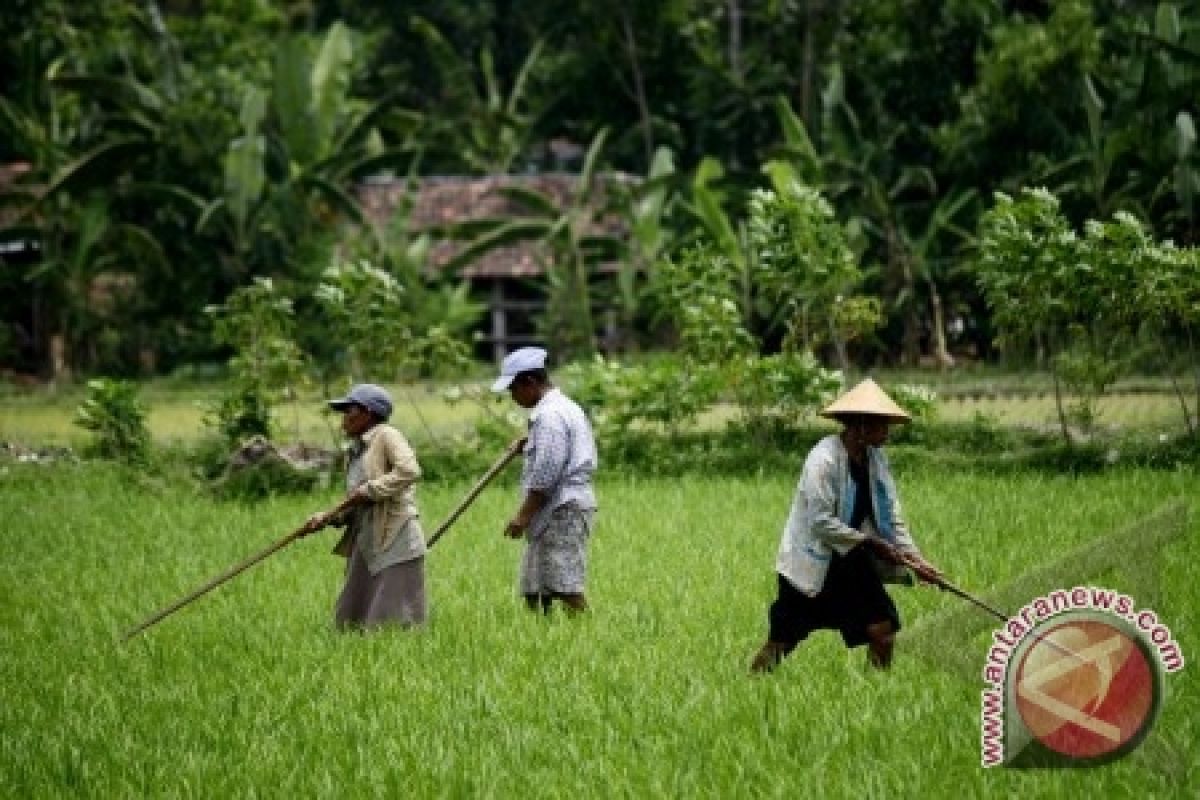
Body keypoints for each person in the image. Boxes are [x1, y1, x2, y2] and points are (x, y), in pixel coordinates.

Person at [750, 378, 942, 673]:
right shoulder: (823, 459)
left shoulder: (875, 460)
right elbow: (819, 521)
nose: (887, 434)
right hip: (815, 560)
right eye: (881, 425)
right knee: (784, 639)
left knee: (883, 629)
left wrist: (916, 560)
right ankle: (753, 682)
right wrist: (869, 543)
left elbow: (890, 518)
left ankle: (875, 694)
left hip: (851, 560)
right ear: (860, 425)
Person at [301, 383, 427, 630]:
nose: (344, 418)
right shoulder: (357, 449)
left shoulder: (387, 435)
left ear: (367, 413)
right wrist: (328, 518)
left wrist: (371, 490)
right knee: (352, 615)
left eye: (349, 411)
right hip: (366, 535)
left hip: (394, 534)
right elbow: (355, 501)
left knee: (392, 617)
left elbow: (409, 471)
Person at [491, 346, 598, 615]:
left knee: (564, 584)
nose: (512, 397)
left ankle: (589, 630)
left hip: (562, 507)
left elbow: (547, 473)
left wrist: (522, 516)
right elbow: (559, 448)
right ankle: (542, 639)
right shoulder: (563, 408)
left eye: (513, 390)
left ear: (530, 382)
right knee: (535, 587)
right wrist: (530, 444)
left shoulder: (550, 416)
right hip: (556, 508)